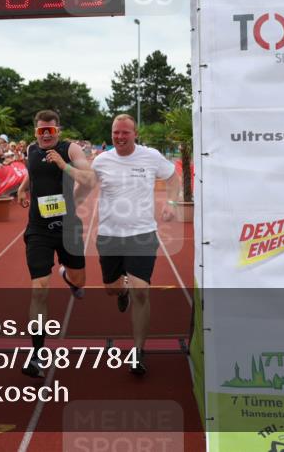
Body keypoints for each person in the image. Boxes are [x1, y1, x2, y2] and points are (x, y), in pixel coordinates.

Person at [64, 115, 179, 375]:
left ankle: (138, 352)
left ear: (135, 133)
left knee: (142, 292)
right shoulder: (101, 160)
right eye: (116, 132)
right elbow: (86, 188)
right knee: (111, 289)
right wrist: (70, 209)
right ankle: (121, 291)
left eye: (125, 132)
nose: (120, 137)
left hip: (142, 234)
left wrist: (171, 203)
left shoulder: (150, 156)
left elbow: (173, 178)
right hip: (109, 236)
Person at [16, 110, 92, 378]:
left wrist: (63, 165)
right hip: (38, 229)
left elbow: (89, 179)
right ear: (36, 132)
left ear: (57, 130)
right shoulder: (31, 150)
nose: (45, 135)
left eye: (50, 131)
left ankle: (69, 278)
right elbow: (33, 172)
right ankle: (37, 355)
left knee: (80, 280)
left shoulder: (70, 150)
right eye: (41, 131)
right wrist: (22, 187)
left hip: (68, 228)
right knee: (39, 289)